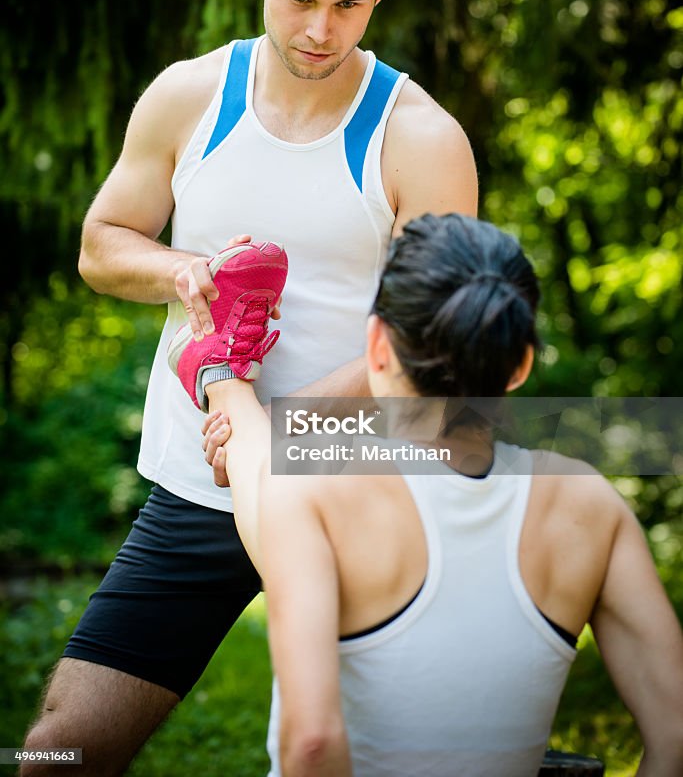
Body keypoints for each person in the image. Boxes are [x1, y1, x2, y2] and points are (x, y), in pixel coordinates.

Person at [21, 0, 478, 776]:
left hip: (360, 489)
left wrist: (278, 429)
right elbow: (103, 243)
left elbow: (437, 341)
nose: (320, 31)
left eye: (349, 5)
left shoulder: (421, 137)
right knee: (57, 756)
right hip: (201, 487)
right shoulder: (190, 96)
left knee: (363, 761)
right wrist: (185, 271)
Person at [192, 213, 683, 777]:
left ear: (377, 345)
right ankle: (221, 373)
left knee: (265, 463)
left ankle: (219, 371)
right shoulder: (590, 505)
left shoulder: (313, 488)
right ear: (520, 365)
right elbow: (676, 737)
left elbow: (312, 745)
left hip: (289, 478)